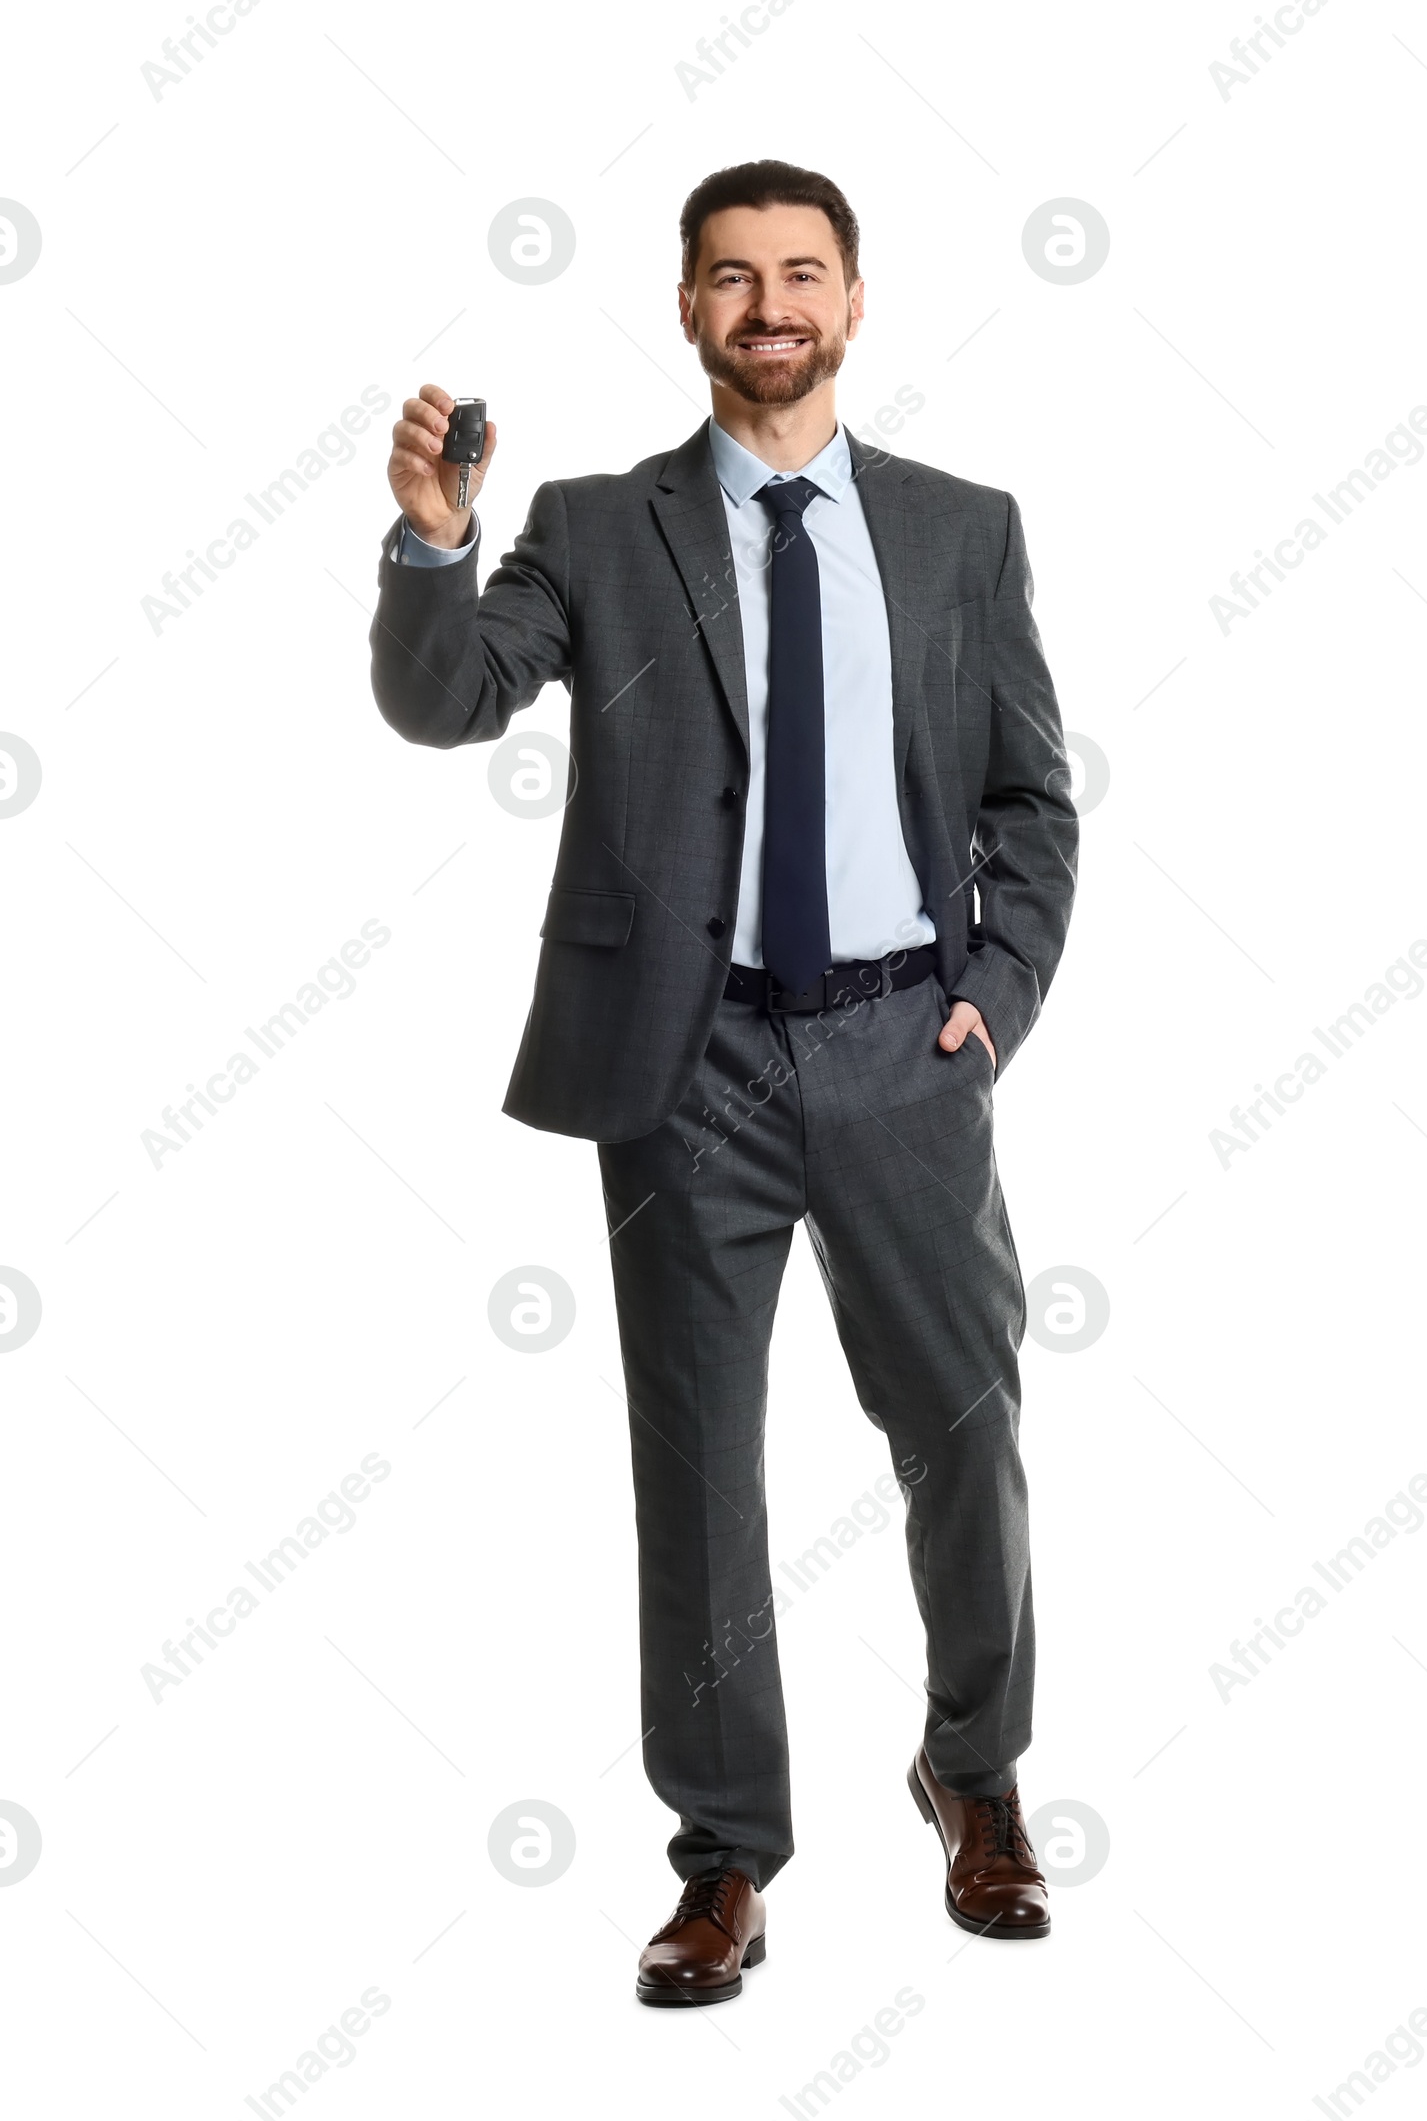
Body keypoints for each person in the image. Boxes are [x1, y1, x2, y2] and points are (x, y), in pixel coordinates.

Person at [370, 158, 1078, 2005]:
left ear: (855, 301)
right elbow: (447, 703)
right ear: (686, 309)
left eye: (803, 272)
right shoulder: (602, 529)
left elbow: (1032, 801)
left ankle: (976, 1775)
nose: (772, 303)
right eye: (733, 277)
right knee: (698, 1477)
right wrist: (437, 541)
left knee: (963, 1431)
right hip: (686, 1065)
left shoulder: (961, 530)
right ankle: (724, 1859)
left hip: (906, 1049)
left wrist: (992, 998)